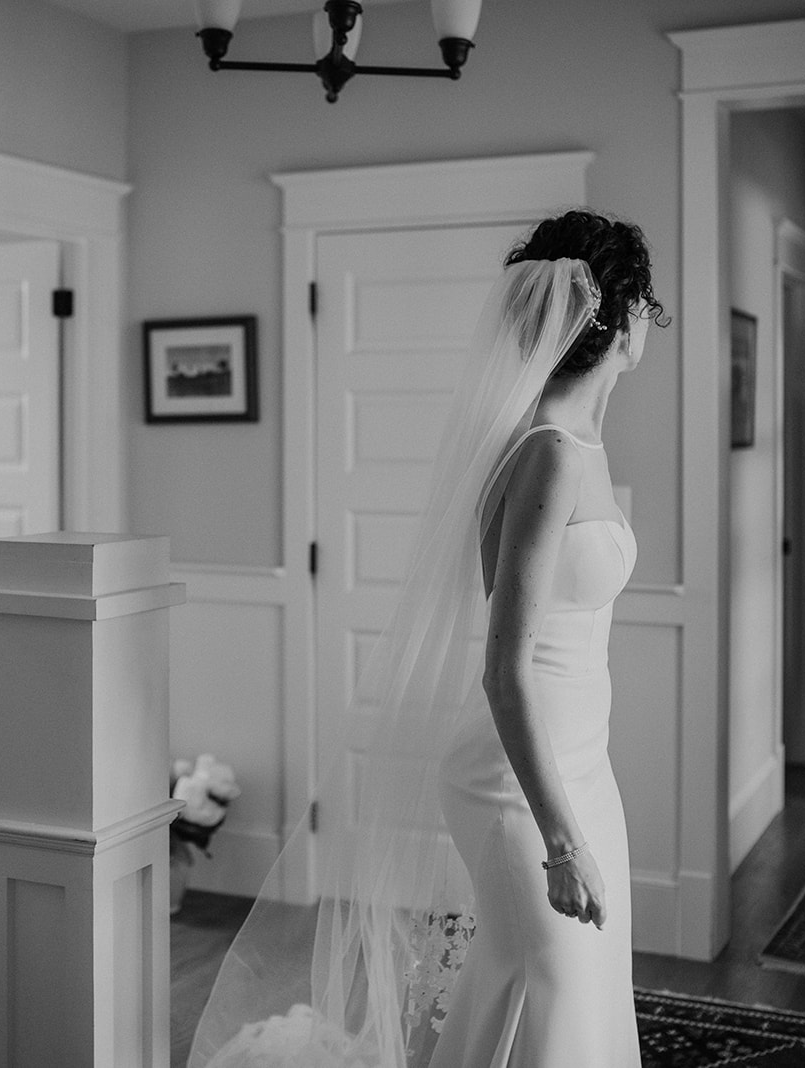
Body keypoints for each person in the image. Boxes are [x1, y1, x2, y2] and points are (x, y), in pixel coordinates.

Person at [188, 211, 663, 1068]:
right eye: (646, 309)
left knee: (566, 988)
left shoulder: (581, 444)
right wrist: (560, 838)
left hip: (584, 767)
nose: (648, 328)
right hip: (519, 788)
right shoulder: (548, 453)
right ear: (622, 318)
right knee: (549, 985)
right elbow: (506, 671)